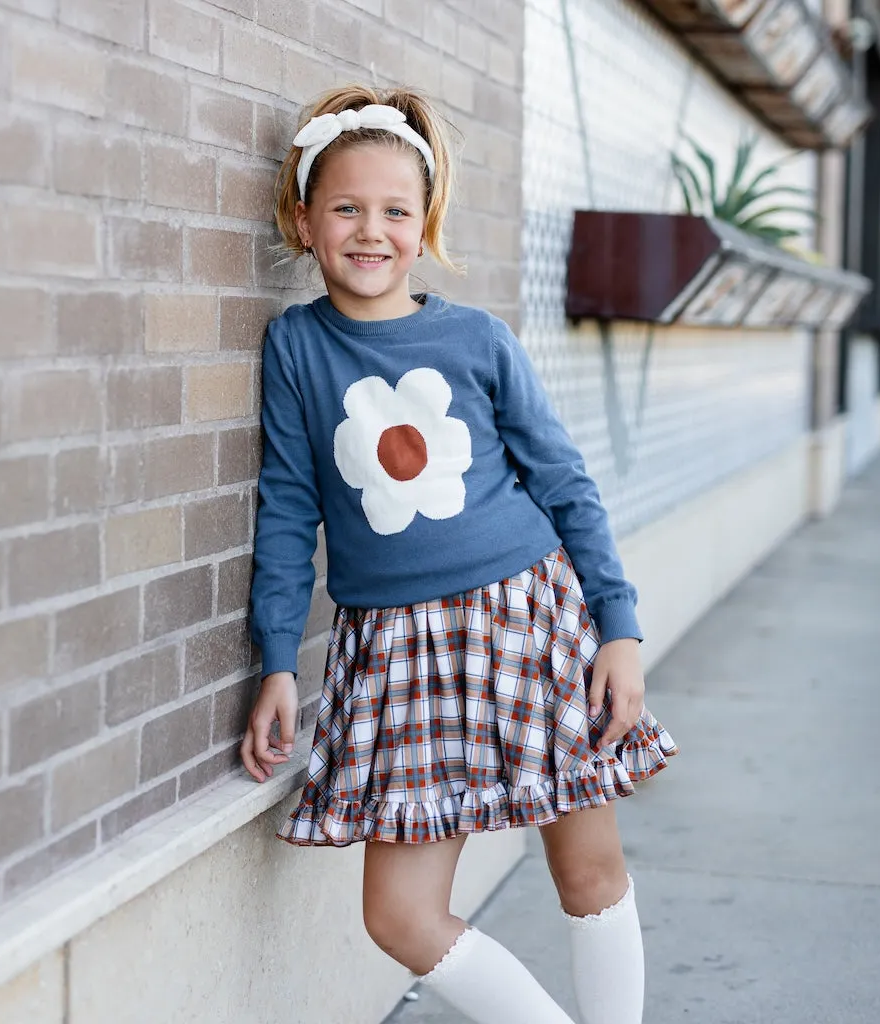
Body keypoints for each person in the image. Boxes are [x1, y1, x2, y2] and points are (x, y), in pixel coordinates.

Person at [240, 84, 677, 1024]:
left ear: (425, 223)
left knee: (588, 865)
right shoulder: (296, 348)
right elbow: (285, 507)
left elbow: (566, 487)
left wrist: (620, 630)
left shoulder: (478, 339)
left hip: (525, 623)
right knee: (400, 915)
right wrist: (278, 658)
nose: (371, 231)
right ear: (305, 220)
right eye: (346, 208)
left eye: (396, 211)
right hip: (394, 654)